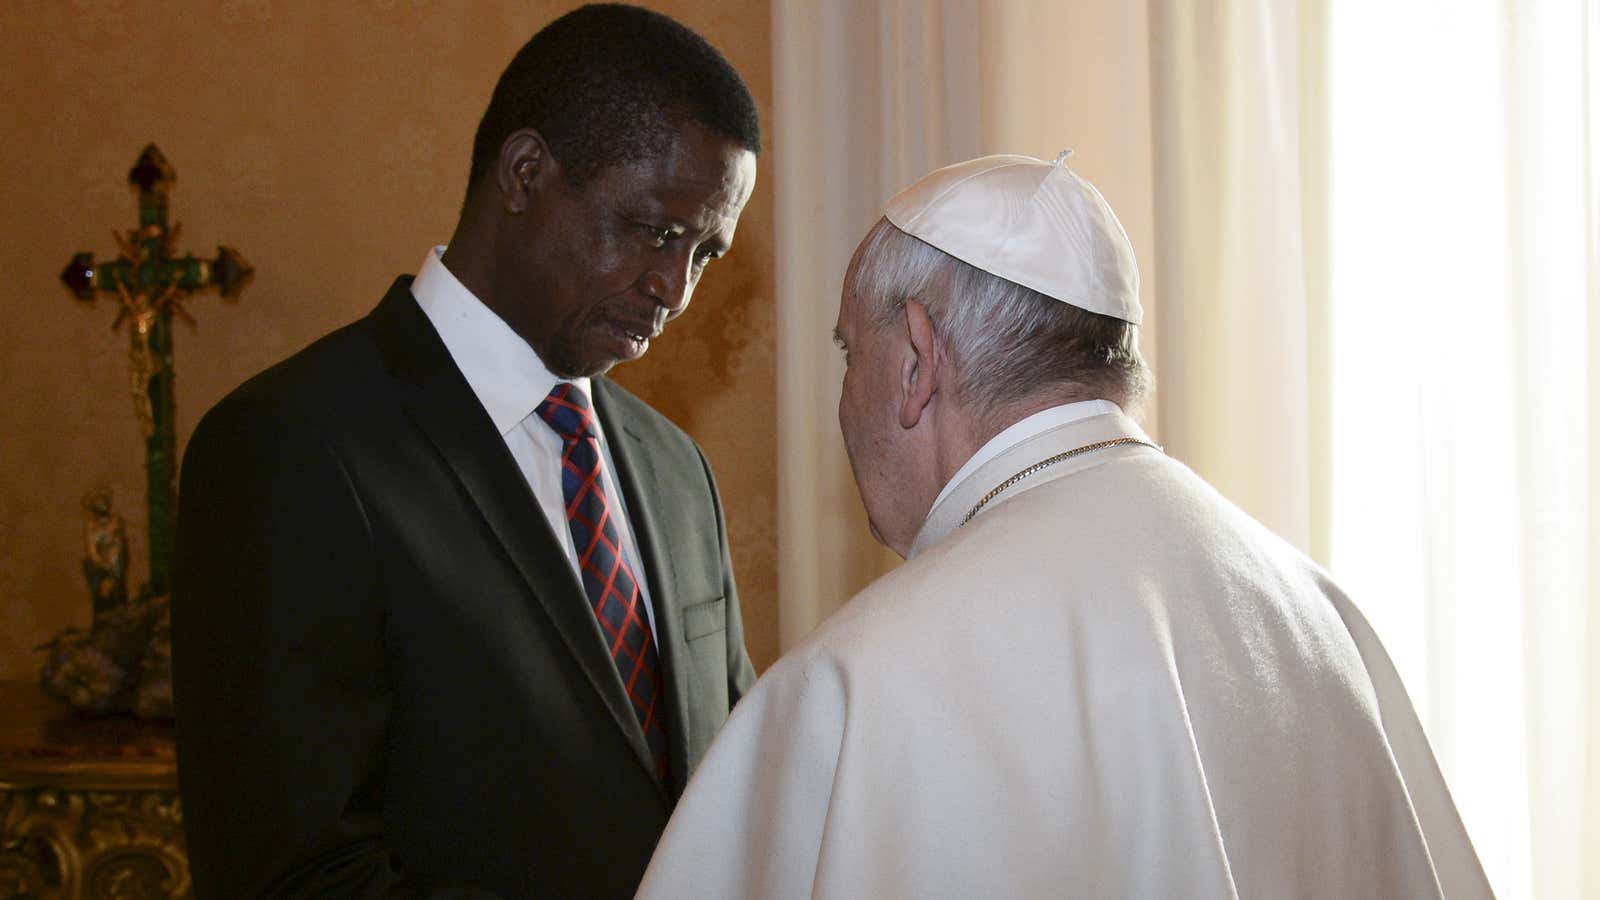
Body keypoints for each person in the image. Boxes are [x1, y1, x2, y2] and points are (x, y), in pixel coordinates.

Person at [636, 154, 1494, 899]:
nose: (844, 390)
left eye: (847, 350)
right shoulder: (1312, 610)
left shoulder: (871, 677)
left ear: (914, 361)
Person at [172, 5, 760, 897]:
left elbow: (727, 796)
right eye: (658, 231)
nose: (674, 290)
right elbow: (292, 876)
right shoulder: (291, 446)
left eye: (706, 253)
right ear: (525, 173)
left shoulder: (677, 471)